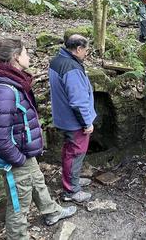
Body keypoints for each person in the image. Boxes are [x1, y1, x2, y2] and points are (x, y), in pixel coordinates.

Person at [0, 38, 76, 240]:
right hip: (15, 154)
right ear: (15, 58)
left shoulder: (12, 80)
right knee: (19, 201)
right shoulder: (4, 91)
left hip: (23, 148)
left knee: (37, 180)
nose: (29, 57)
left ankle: (51, 212)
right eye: (26, 53)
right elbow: (0, 139)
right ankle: (17, 236)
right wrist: (18, 159)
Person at [48, 34, 96, 203]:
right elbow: (78, 101)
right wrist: (87, 122)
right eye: (86, 50)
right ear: (78, 49)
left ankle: (72, 180)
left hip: (63, 117)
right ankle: (71, 191)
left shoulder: (57, 60)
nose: (86, 53)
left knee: (69, 152)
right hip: (74, 121)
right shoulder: (72, 68)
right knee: (75, 153)